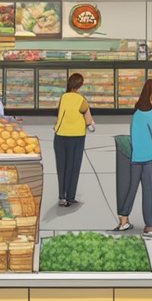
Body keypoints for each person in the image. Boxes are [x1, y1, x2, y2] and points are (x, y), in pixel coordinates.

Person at [116, 79, 152, 235]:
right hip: (149, 158)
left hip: (135, 157)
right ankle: (150, 226)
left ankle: (123, 221)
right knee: (150, 191)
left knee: (131, 189)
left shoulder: (137, 113)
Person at [54, 72, 95, 207]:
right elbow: (88, 120)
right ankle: (70, 196)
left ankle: (62, 196)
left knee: (62, 167)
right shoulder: (81, 100)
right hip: (76, 137)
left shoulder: (63, 97)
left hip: (60, 136)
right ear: (80, 85)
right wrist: (91, 126)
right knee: (73, 167)